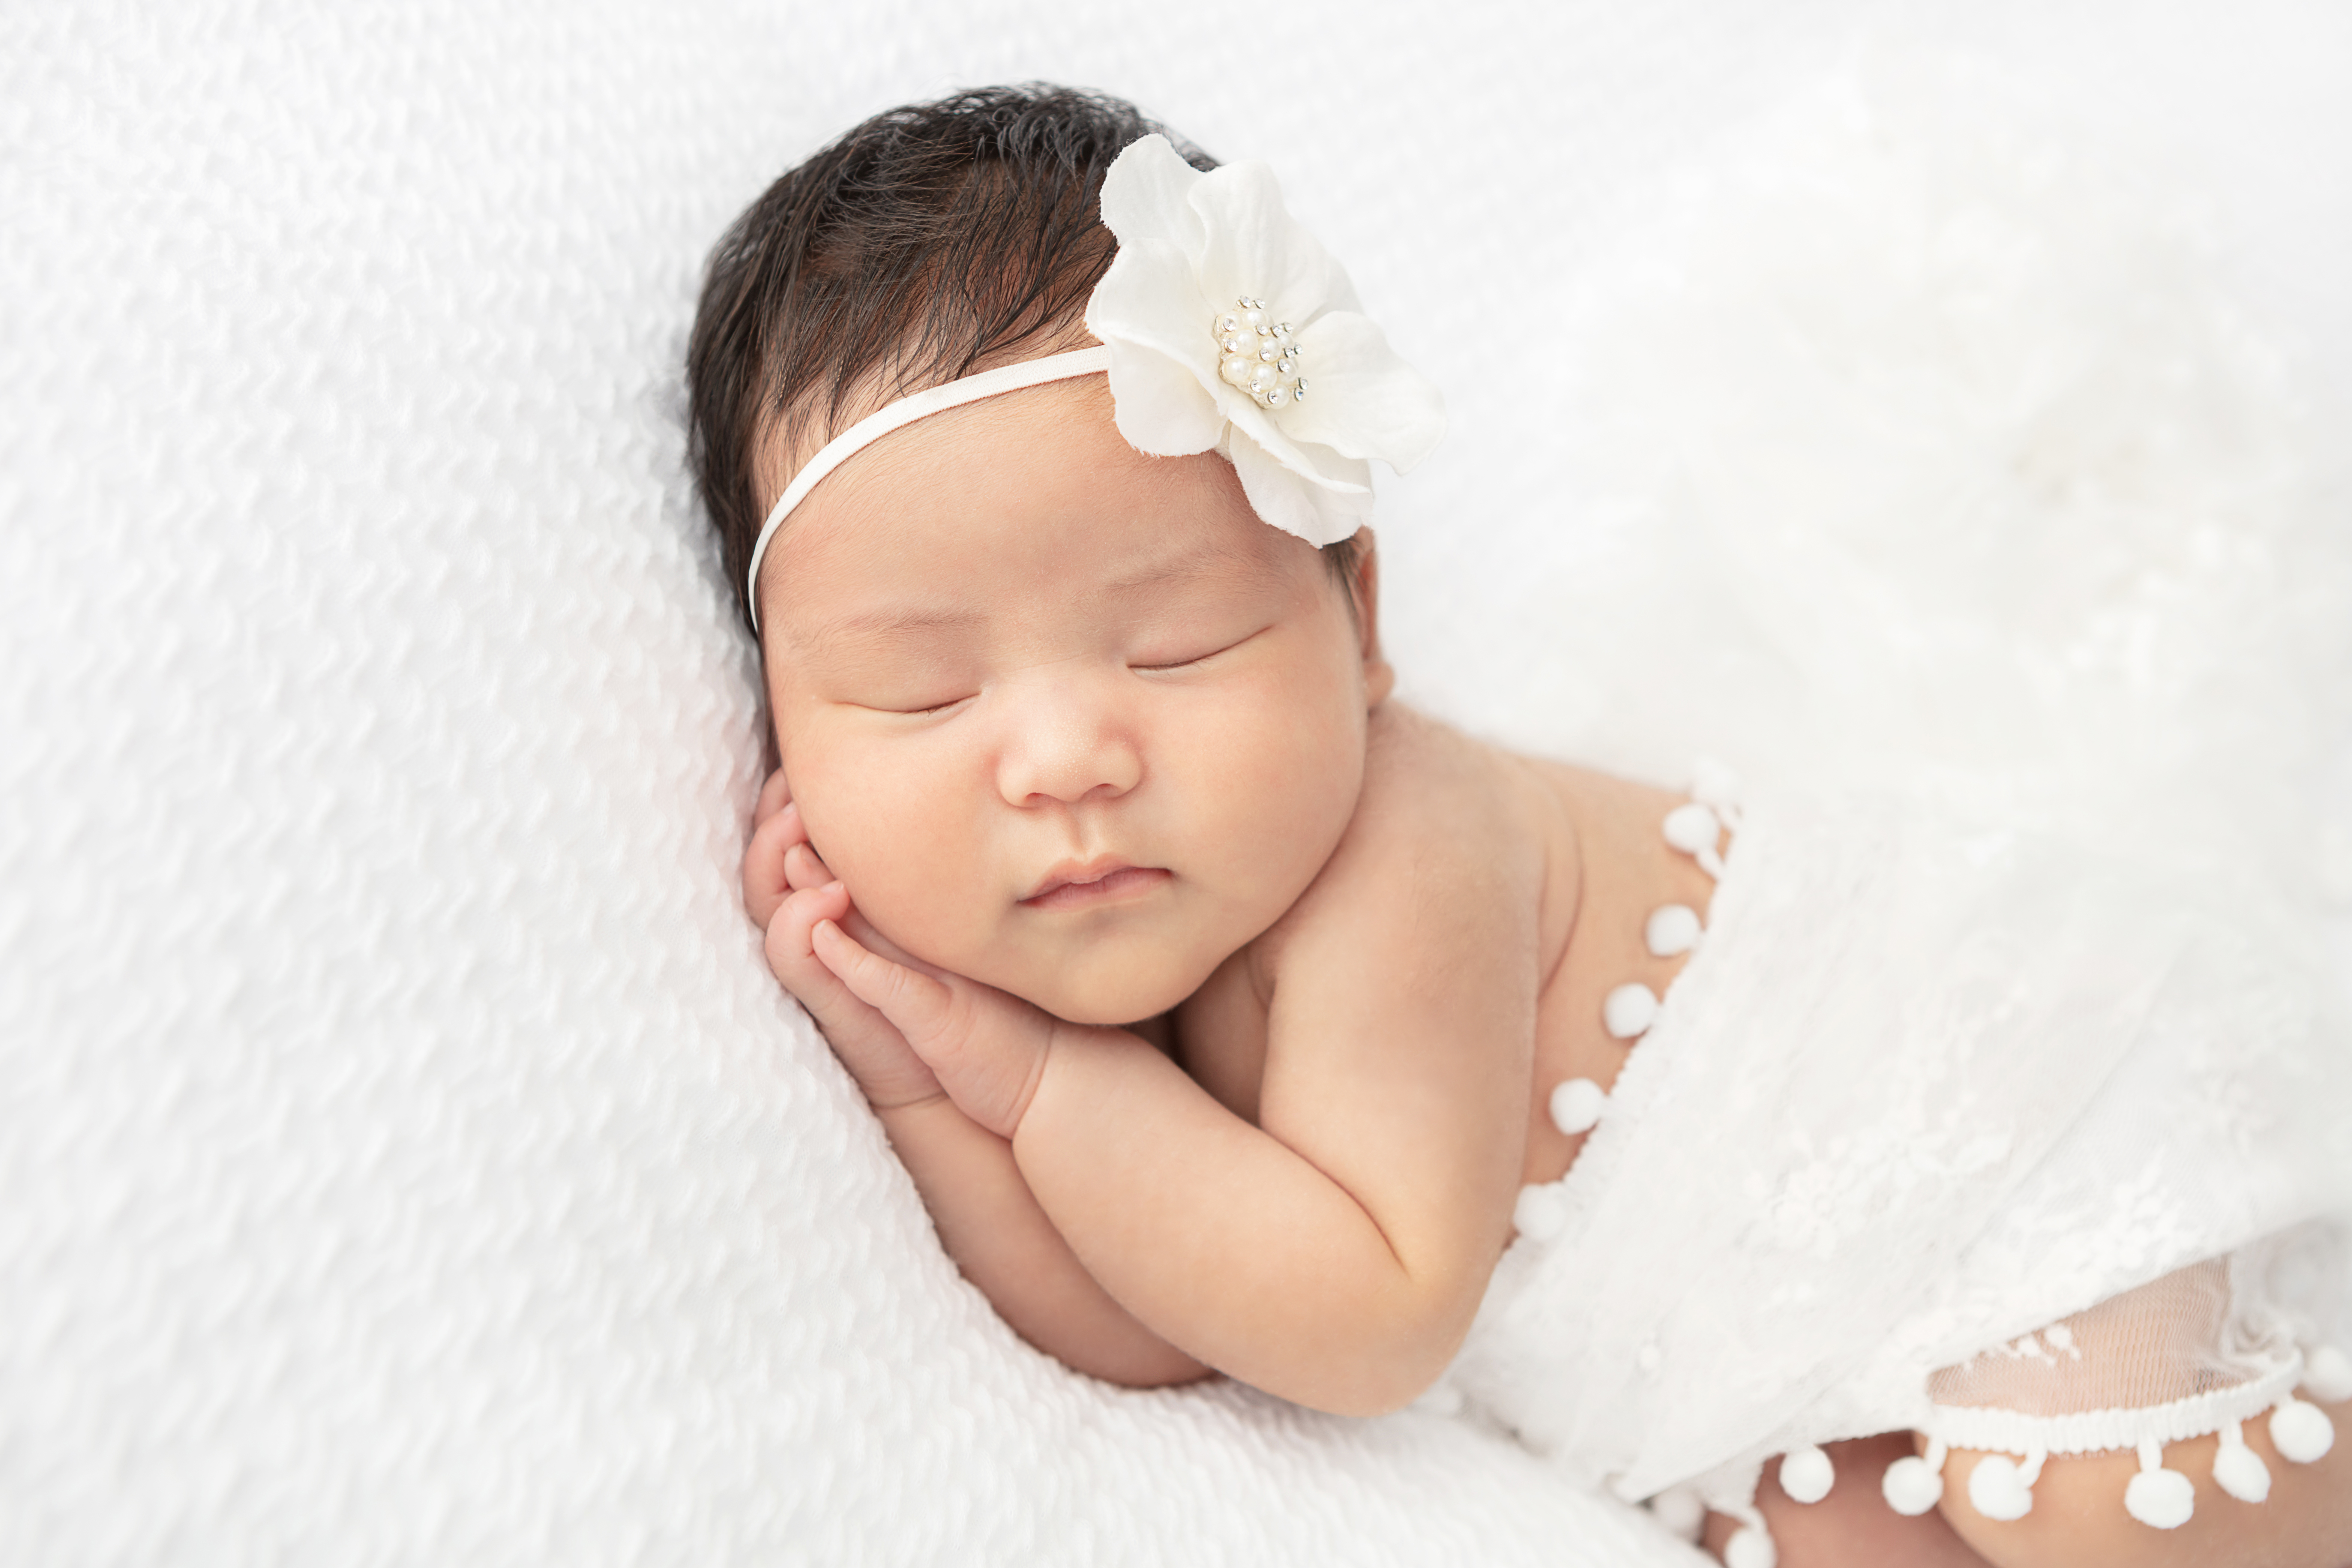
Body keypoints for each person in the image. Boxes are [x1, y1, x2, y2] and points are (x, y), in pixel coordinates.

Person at [686, 83, 2352, 1568]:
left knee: (2079, 1502)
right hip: (1769, 1347)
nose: (1064, 761)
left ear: (1358, 620)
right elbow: (1174, 1323)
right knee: (1853, 1546)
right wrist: (924, 1085)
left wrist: (1028, 1082)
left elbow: (1363, 1315)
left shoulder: (1402, 852)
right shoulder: (1101, 936)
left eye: (1175, 646)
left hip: (2003, 1112)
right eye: (923, 692)